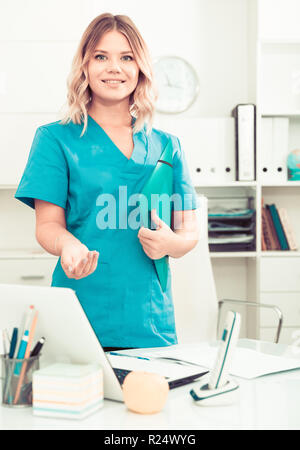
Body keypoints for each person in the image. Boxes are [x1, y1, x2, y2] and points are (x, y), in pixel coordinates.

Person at [15, 13, 199, 351]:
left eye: (126, 57)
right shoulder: (55, 140)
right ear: (84, 66)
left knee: (149, 404)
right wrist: (68, 245)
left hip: (150, 323)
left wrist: (171, 244)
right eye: (101, 56)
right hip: (80, 315)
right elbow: (47, 225)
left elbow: (189, 232)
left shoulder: (168, 146)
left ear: (140, 68)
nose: (114, 67)